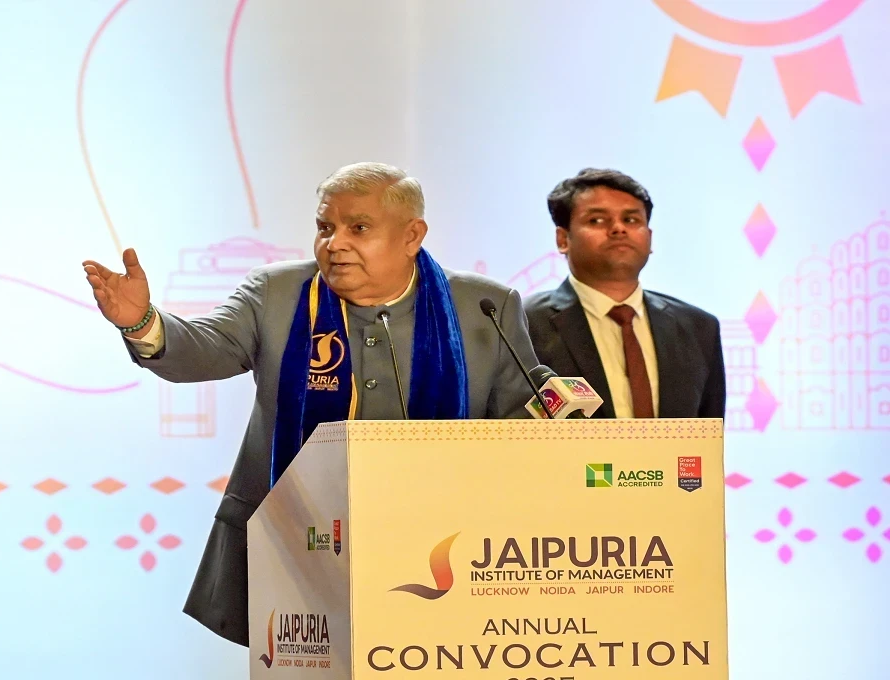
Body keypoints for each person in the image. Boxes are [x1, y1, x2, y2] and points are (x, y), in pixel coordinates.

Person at [82, 162, 541, 646]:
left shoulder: (484, 307)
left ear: (412, 236)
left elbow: (527, 430)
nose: (335, 243)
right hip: (293, 544)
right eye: (325, 227)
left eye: (358, 228)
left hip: (444, 555)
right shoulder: (276, 293)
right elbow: (205, 348)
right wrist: (142, 323)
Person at [523, 168, 725, 419]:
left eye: (631, 220)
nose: (618, 228)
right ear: (563, 239)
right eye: (597, 221)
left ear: (649, 237)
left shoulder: (698, 327)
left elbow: (709, 435)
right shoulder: (522, 323)